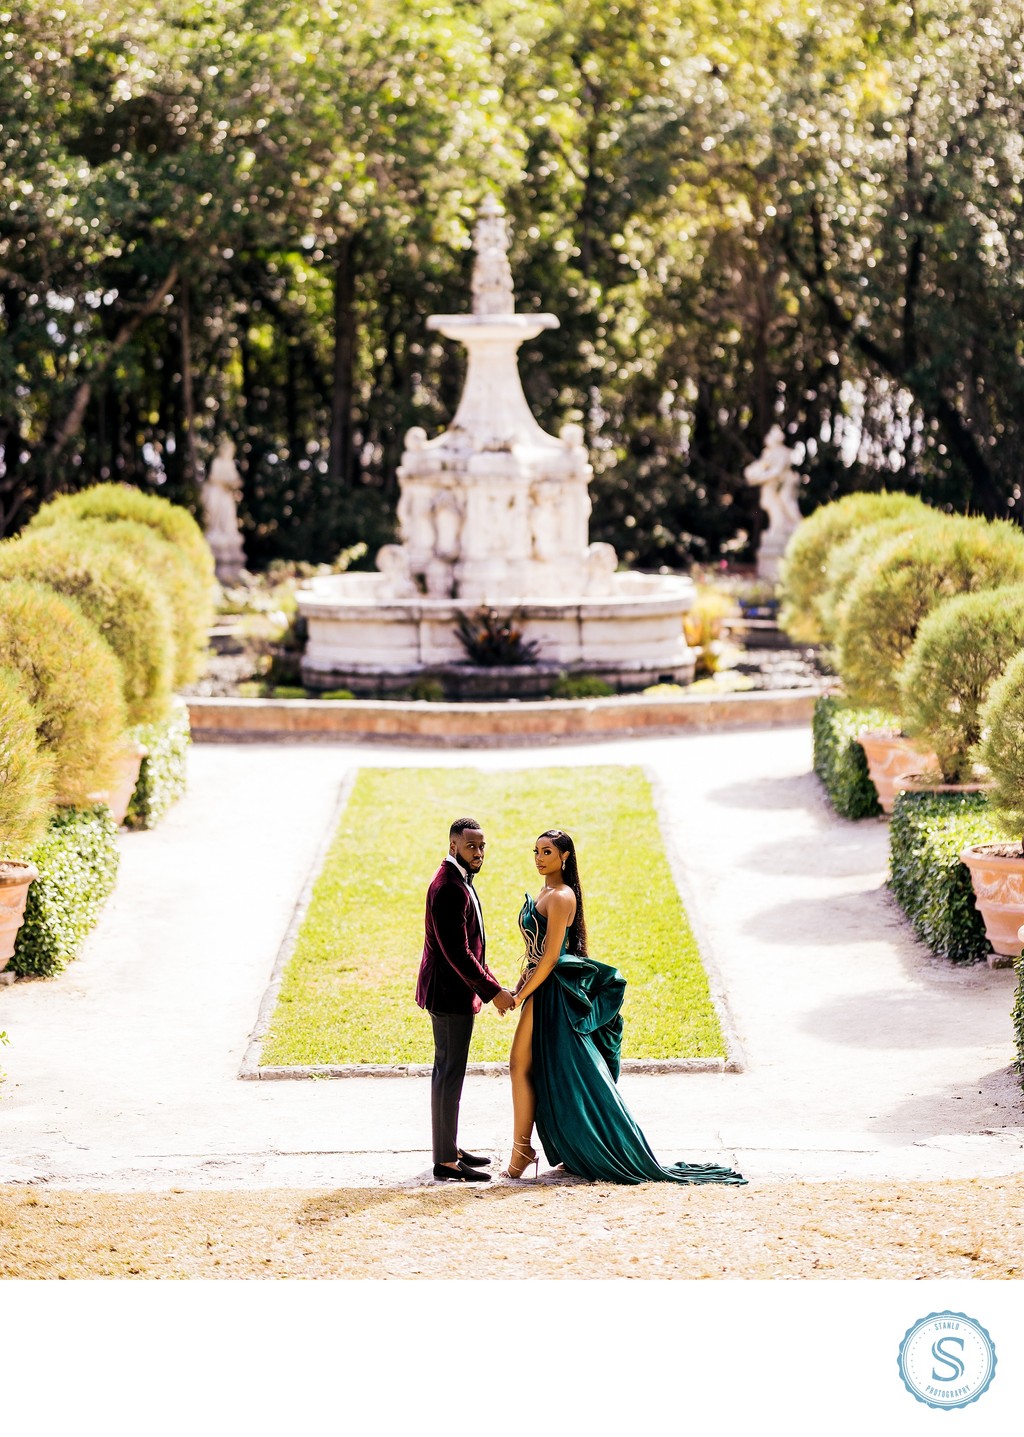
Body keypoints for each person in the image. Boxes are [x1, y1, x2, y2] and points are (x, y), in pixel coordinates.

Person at [502, 828, 746, 1186]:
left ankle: (523, 1150)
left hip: (552, 994)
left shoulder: (561, 896)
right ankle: (529, 1148)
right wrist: (520, 984)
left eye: (547, 852)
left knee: (532, 1065)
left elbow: (552, 957)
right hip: (541, 990)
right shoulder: (546, 892)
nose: (539, 858)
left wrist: (521, 996)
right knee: (529, 1066)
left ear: (564, 857)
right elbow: (538, 953)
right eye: (536, 851)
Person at [415, 817, 514, 1182]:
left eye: (482, 846)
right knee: (448, 1073)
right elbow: (458, 953)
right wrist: (494, 992)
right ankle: (445, 1161)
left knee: (449, 1073)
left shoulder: (458, 881)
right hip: (448, 994)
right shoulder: (449, 888)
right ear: (453, 845)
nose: (478, 852)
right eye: (471, 846)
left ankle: (449, 1147)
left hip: (454, 992)